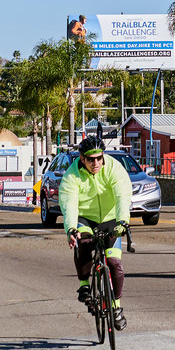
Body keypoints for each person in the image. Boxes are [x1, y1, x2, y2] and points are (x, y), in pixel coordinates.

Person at [61, 137, 133, 328]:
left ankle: (116, 306)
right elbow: (69, 204)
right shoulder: (72, 175)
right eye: (91, 159)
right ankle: (84, 283)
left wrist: (123, 221)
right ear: (82, 158)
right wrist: (70, 228)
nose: (96, 163)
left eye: (99, 158)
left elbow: (122, 195)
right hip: (84, 217)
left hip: (110, 219)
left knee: (114, 262)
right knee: (82, 242)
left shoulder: (113, 168)